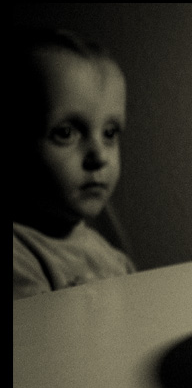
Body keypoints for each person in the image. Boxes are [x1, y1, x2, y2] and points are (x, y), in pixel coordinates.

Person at [12, 28, 136, 299]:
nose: (100, 156)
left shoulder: (111, 256)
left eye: (110, 133)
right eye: (66, 133)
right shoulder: (19, 257)